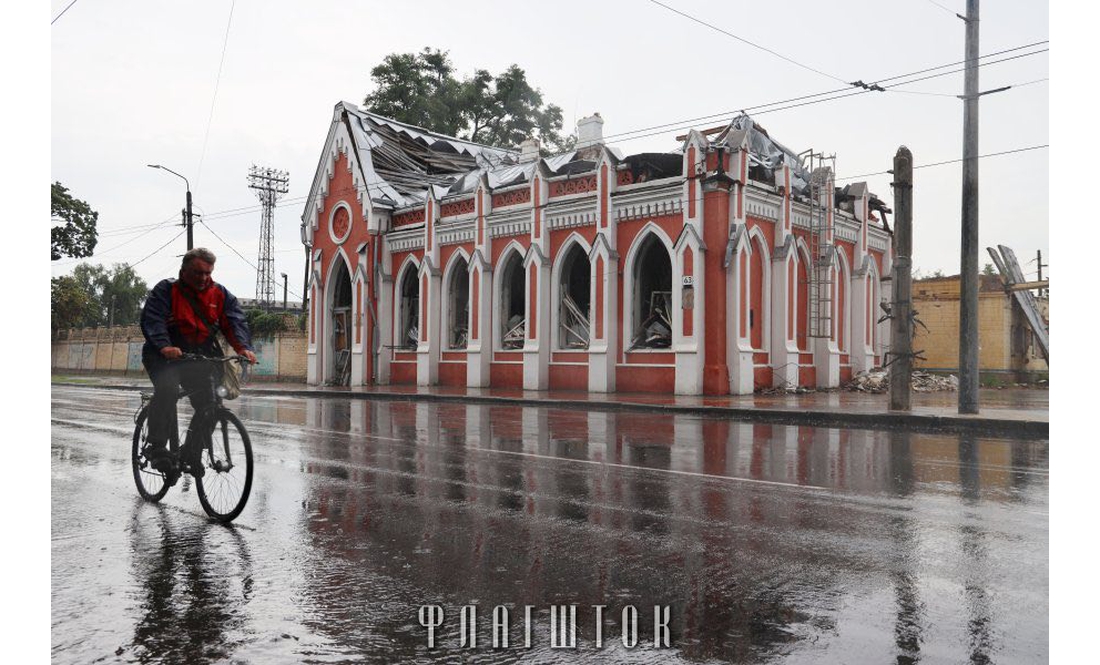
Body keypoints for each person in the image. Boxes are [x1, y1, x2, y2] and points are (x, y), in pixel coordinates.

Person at [139, 248, 257, 475]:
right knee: (168, 390)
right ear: (184, 270)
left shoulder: (219, 294)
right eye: (197, 272)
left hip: (197, 357)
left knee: (210, 404)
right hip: (163, 356)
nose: (203, 278)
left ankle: (191, 452)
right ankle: (157, 447)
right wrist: (164, 345)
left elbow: (235, 322)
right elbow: (153, 319)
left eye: (208, 273)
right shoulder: (167, 290)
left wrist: (244, 348)